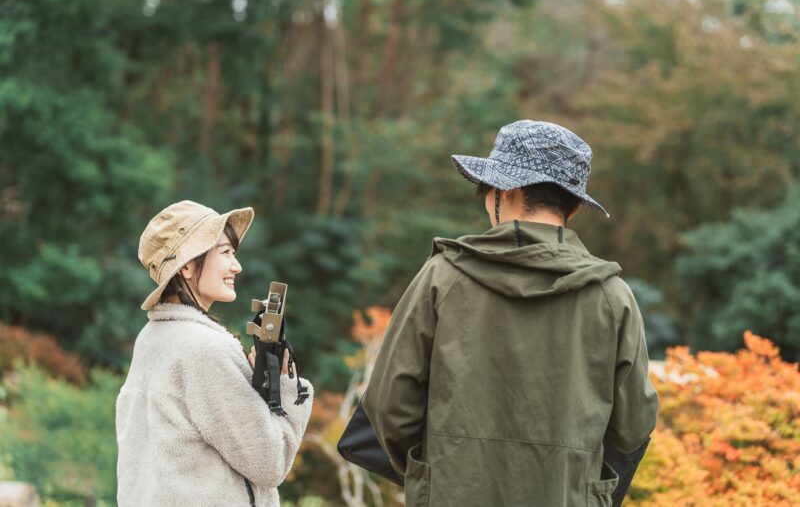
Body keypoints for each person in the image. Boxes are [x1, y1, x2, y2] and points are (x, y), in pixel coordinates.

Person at [361, 120, 659, 506]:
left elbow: (389, 406)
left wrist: (435, 473)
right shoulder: (611, 296)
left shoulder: (443, 277)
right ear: (571, 204)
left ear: (508, 191)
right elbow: (633, 425)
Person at [116, 200, 313, 507]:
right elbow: (269, 462)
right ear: (187, 266)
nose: (237, 266)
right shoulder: (205, 349)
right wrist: (286, 385)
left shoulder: (152, 338)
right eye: (225, 253)